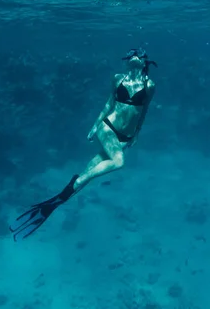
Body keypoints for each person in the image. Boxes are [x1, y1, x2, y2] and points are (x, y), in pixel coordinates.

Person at [9, 48, 157, 241]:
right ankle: (76, 182)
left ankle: (59, 199)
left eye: (140, 53)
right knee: (118, 162)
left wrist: (136, 134)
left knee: (92, 170)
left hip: (125, 136)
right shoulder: (118, 78)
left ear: (145, 60)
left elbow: (144, 110)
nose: (135, 55)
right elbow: (108, 104)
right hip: (109, 128)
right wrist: (95, 126)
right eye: (132, 53)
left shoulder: (150, 85)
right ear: (127, 60)